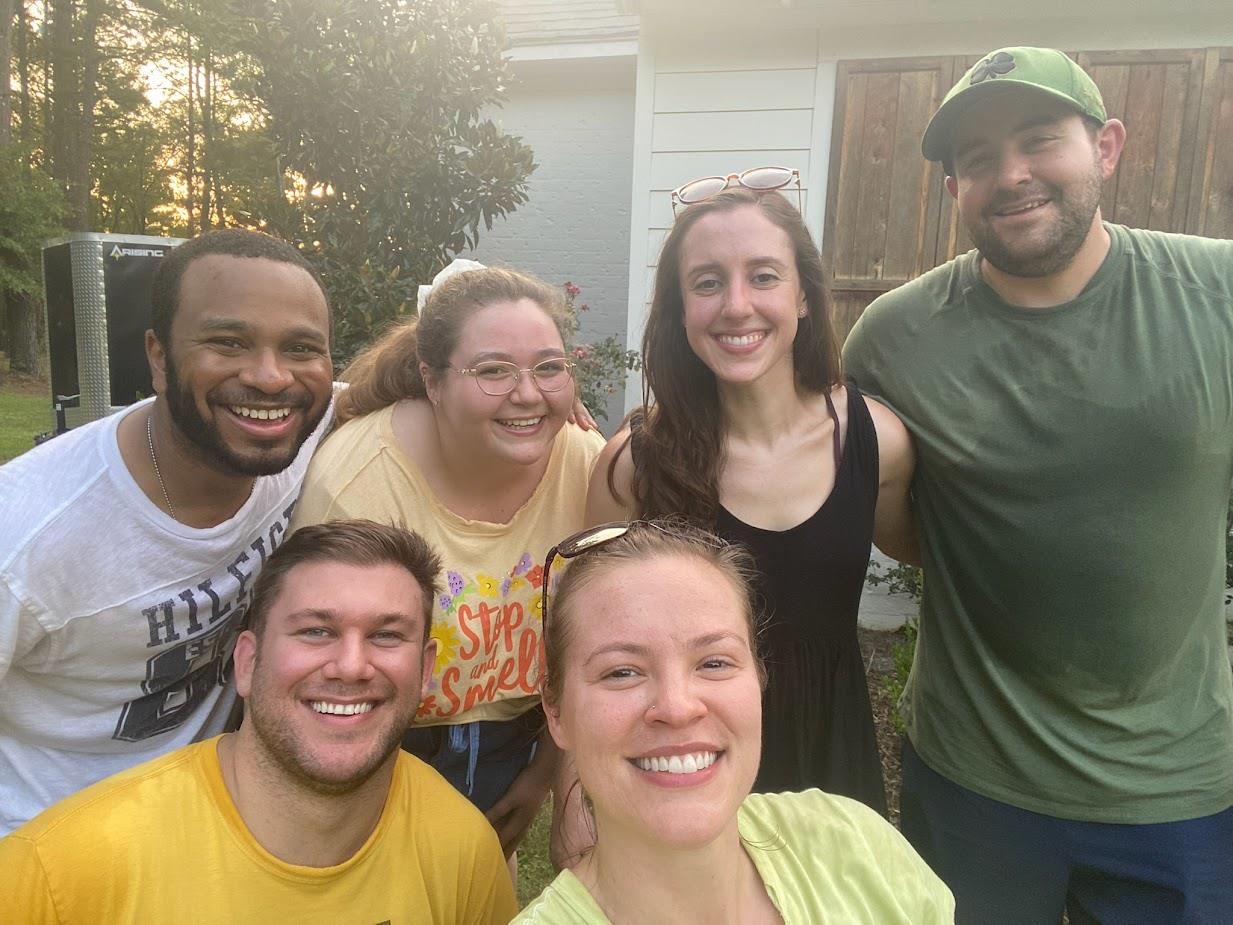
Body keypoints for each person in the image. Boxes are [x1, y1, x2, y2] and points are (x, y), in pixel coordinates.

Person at [843, 46, 1233, 922]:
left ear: (1106, 147)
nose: (1009, 175)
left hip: (1175, 790)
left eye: (1037, 140)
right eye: (975, 159)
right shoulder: (892, 339)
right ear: (953, 190)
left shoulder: (1213, 294)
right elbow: (900, 521)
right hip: (974, 778)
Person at [586, 179, 916, 815]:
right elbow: (594, 647)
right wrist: (579, 789)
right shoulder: (634, 468)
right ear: (680, 312)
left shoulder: (881, 444)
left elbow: (935, 553)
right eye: (707, 282)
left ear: (803, 299)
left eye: (763, 276)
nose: (737, 305)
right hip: (686, 759)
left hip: (833, 763)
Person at [0, 520, 518, 922]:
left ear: (425, 670)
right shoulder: (59, 873)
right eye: (316, 631)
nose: (352, 666)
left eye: (386, 636)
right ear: (246, 662)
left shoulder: (461, 849)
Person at [0, 228, 335, 835]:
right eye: (228, 342)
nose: (270, 377)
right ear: (159, 356)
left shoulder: (301, 426)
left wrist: (549, 401)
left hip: (211, 818)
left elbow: (407, 380)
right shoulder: (26, 534)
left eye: (300, 348)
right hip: (53, 855)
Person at [291, 261, 605, 858]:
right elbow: (318, 662)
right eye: (493, 371)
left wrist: (545, 773)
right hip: (380, 740)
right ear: (431, 381)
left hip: (518, 743)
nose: (528, 393)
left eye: (548, 367)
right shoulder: (359, 481)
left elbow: (602, 642)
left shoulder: (587, 468)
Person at [515, 520, 953, 924]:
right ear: (556, 711)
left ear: (758, 678)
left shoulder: (857, 847)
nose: (678, 706)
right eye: (621, 671)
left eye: (714, 662)